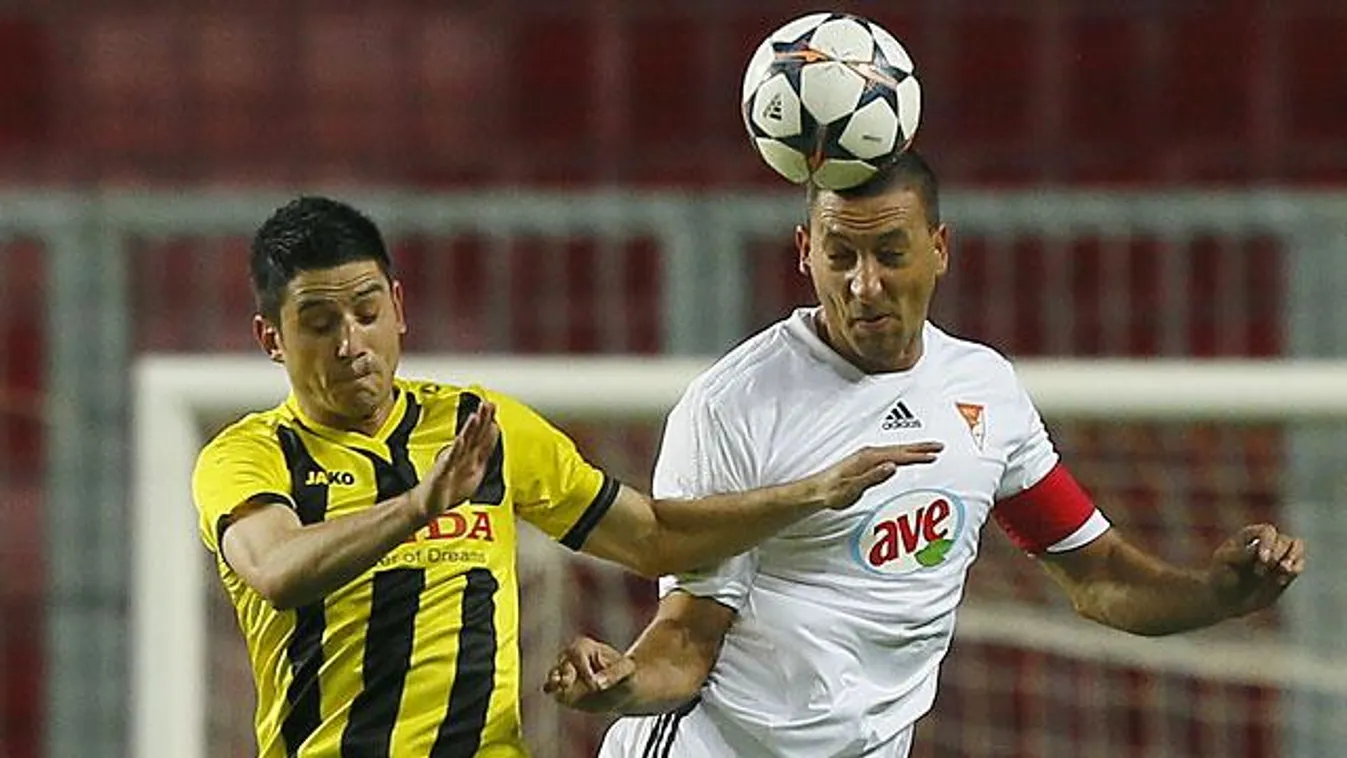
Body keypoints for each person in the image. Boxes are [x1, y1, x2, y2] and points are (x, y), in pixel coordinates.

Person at [543, 151, 1307, 758]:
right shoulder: (733, 407)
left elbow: (1097, 573)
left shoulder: (982, 390)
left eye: (889, 253)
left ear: (938, 250)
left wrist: (1216, 594)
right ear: (805, 253)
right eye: (840, 255)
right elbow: (687, 638)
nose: (864, 284)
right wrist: (623, 682)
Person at [191, 196, 947, 758]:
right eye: (320, 324)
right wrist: (420, 505)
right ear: (271, 338)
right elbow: (277, 570)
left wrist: (811, 493)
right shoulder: (249, 456)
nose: (351, 343)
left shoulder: (479, 426)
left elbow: (653, 538)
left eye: (365, 312)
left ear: (398, 307)